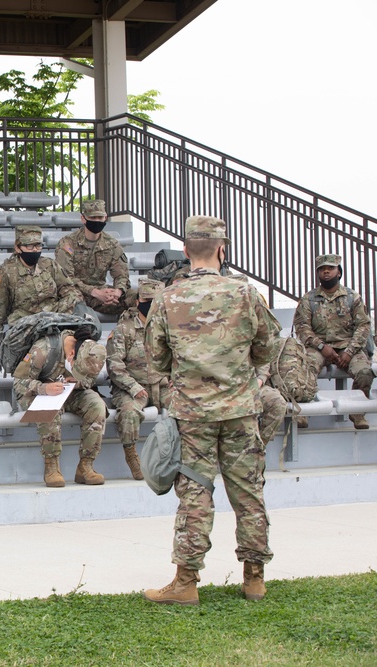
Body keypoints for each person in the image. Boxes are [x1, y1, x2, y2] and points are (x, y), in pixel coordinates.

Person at [144, 215, 280, 605]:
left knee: (195, 495)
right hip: (240, 409)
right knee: (248, 492)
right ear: (223, 249)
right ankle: (254, 579)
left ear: (186, 251)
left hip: (192, 413)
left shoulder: (168, 297)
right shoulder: (246, 293)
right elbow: (268, 349)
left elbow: (156, 359)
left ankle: (185, 583)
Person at [12, 327, 109, 487]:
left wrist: (77, 382)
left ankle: (85, 466)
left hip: (69, 390)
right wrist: (44, 388)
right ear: (71, 355)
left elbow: (88, 381)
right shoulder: (42, 350)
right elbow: (19, 383)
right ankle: (51, 467)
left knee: (97, 406)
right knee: (50, 409)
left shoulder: (89, 352)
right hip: (38, 391)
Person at [293, 254, 374, 430]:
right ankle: (304, 411)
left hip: (348, 347)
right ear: (318, 273)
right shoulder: (309, 299)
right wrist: (322, 347)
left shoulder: (352, 297)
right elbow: (302, 328)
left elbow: (363, 326)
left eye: (330, 268)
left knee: (365, 372)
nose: (326, 271)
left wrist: (350, 351)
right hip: (319, 347)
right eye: (322, 269)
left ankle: (357, 412)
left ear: (339, 272)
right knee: (305, 367)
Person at [105, 278, 169, 480]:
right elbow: (114, 365)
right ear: (138, 300)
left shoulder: (167, 328)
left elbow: (180, 358)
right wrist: (133, 387)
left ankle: (183, 456)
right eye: (146, 299)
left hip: (163, 386)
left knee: (188, 407)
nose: (150, 304)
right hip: (132, 388)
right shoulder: (124, 330)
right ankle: (132, 455)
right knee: (129, 413)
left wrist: (176, 378)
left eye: (155, 300)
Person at [0, 225, 80, 338]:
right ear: (18, 248)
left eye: (38, 245)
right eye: (30, 246)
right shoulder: (6, 271)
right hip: (26, 324)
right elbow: (0, 302)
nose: (35, 250)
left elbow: (68, 289)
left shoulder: (49, 265)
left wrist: (62, 308)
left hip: (54, 318)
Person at [55, 199, 132, 317]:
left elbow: (122, 275)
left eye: (100, 218)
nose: (97, 221)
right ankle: (80, 331)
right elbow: (66, 279)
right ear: (83, 219)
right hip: (77, 293)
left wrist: (117, 291)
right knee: (71, 298)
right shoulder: (68, 244)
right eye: (93, 218)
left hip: (102, 295)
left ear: (105, 217)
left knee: (140, 296)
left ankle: (130, 331)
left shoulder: (111, 244)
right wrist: (94, 292)